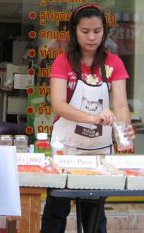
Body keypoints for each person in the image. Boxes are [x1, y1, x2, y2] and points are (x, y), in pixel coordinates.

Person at [41, 4, 135, 233]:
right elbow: (59, 105)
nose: (92, 37)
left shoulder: (114, 63)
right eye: (85, 31)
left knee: (94, 213)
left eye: (97, 31)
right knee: (57, 208)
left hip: (98, 149)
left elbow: (121, 104)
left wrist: (124, 132)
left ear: (104, 31)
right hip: (67, 148)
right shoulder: (63, 62)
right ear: (74, 31)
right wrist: (93, 117)